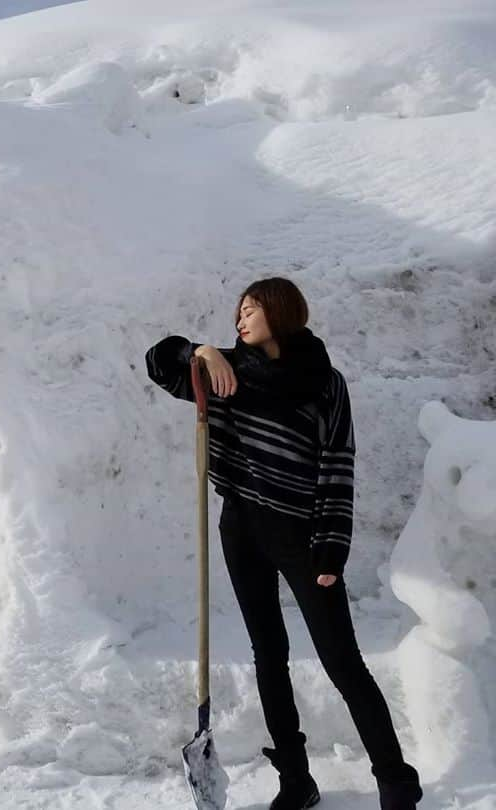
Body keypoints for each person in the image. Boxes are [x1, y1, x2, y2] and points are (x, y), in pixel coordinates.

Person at [145, 277, 423, 810]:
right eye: (238, 312)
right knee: (268, 656)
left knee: (343, 662)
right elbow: (158, 361)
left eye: (251, 310)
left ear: (280, 312)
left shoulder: (324, 382)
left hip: (302, 535)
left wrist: (330, 548)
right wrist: (200, 352)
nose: (240, 320)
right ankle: (296, 781)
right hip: (241, 527)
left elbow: (339, 464)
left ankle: (397, 783)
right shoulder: (222, 372)